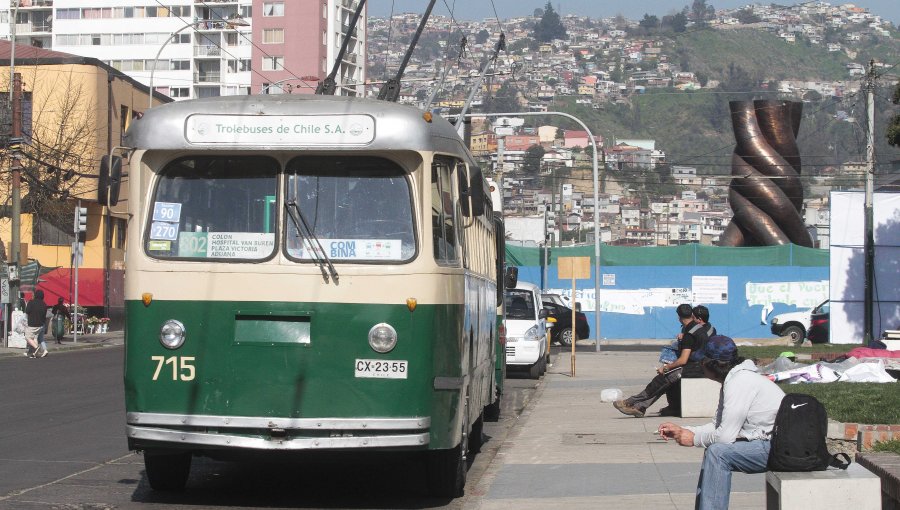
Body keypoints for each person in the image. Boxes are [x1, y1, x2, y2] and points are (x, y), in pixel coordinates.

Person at [657, 336, 785, 510]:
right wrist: (684, 431)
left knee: (718, 453)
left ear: (711, 364)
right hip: (770, 443)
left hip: (778, 448)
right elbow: (718, 426)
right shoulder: (734, 379)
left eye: (702, 360)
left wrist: (693, 439)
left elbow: (724, 437)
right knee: (714, 450)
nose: (700, 364)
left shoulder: (740, 382)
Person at [613, 303, 712, 417]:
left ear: (678, 317)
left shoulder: (689, 334)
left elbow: (683, 360)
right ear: (692, 315)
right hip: (701, 365)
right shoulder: (698, 328)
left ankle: (630, 402)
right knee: (665, 382)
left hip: (694, 368)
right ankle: (640, 407)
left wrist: (666, 367)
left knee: (661, 380)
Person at [25, 290, 49, 358]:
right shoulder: (44, 304)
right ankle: (34, 354)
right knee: (35, 337)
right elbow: (44, 314)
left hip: (32, 324)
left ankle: (36, 348)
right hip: (40, 325)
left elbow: (27, 311)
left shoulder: (31, 302)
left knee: (28, 337)